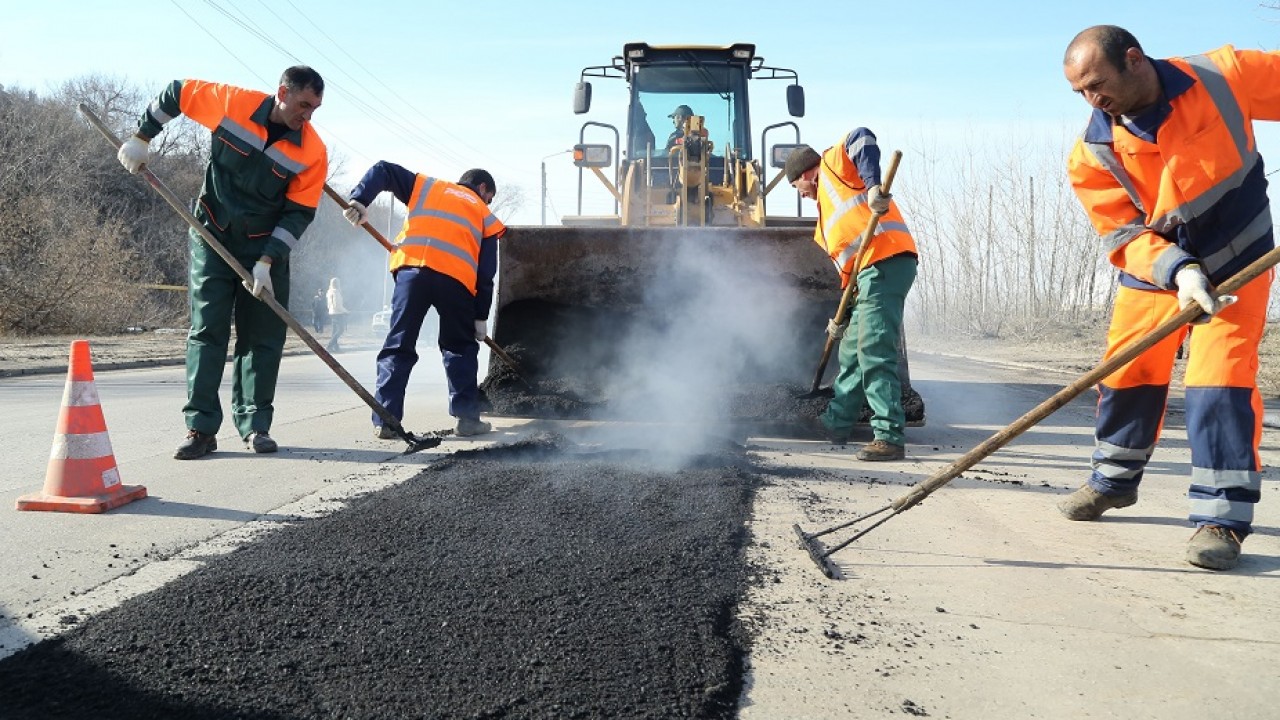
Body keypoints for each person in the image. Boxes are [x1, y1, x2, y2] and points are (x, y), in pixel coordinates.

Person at [1058, 25, 1277, 571]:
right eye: (1080, 92)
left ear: (1134, 59)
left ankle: (1220, 519)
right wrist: (1177, 272)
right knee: (1127, 371)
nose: (1092, 100)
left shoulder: (1224, 75)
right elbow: (1120, 234)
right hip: (1160, 271)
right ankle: (1113, 479)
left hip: (1239, 259)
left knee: (1217, 380)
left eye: (1097, 84)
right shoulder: (1092, 152)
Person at [116, 66, 328, 460]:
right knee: (207, 330)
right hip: (212, 234)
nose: (308, 116)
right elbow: (176, 92)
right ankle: (200, 429)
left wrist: (267, 261)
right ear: (282, 92)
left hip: (264, 251)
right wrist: (142, 136)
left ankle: (255, 426)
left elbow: (299, 214)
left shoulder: (312, 151)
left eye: (315, 109)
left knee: (262, 339)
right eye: (303, 104)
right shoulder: (233, 104)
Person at [342, 162, 506, 439]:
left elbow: (384, 170)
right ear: (482, 189)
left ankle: (386, 419)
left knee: (398, 345)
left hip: (412, 274)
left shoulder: (428, 186)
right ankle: (467, 419)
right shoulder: (484, 214)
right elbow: (486, 273)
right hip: (456, 282)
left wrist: (360, 199)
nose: (487, 203)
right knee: (459, 348)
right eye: (489, 198)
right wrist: (480, 316)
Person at [785, 130, 918, 462]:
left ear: (804, 174)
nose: (798, 194)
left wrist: (873, 186)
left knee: (873, 349)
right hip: (865, 278)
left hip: (886, 261)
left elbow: (862, 138)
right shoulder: (824, 222)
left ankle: (889, 436)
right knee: (850, 351)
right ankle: (836, 422)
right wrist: (842, 317)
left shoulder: (832, 165)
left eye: (794, 186)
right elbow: (848, 269)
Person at [326, 277, 348, 352]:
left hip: (332, 313)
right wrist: (345, 311)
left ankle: (336, 348)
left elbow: (329, 304)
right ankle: (329, 345)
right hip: (338, 313)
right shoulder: (336, 292)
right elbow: (337, 305)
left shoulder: (329, 292)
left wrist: (330, 310)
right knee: (340, 330)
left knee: (334, 331)